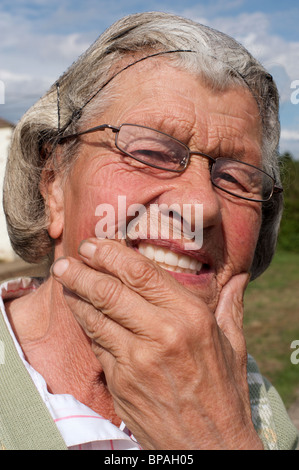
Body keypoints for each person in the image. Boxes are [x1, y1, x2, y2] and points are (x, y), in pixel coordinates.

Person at [1, 11, 298, 450]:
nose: (200, 205)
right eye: (150, 150)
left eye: (236, 176)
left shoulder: (264, 415)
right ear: (54, 183)